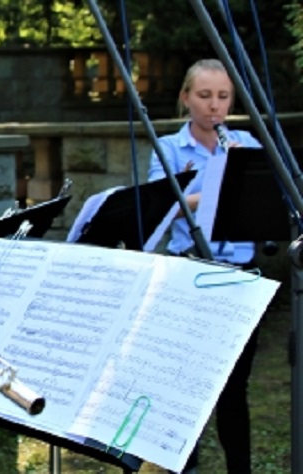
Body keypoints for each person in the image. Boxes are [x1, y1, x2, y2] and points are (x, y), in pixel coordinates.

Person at [147, 58, 261, 474]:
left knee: (235, 388)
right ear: (185, 98)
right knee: (185, 384)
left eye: (223, 97)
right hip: (189, 272)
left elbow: (273, 188)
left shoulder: (247, 141)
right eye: (205, 96)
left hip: (241, 275)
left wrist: (237, 171)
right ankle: (186, 467)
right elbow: (167, 204)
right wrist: (223, 179)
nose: (215, 107)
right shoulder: (169, 148)